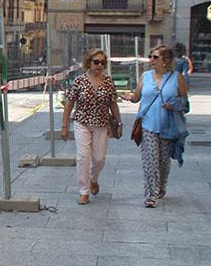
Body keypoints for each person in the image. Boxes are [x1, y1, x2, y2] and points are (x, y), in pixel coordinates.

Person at [121, 45, 190, 207]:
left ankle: (161, 185)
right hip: (148, 125)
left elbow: (185, 104)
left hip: (168, 127)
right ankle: (150, 195)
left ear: (165, 61)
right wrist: (127, 97)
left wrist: (173, 105)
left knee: (164, 163)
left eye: (155, 57)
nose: (151, 59)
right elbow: (137, 97)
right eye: (150, 56)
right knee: (150, 162)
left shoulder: (176, 77)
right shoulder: (145, 76)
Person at [60, 48, 120, 205]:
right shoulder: (80, 81)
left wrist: (119, 123)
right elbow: (69, 104)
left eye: (102, 62)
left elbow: (113, 104)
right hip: (82, 122)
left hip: (101, 124)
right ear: (89, 63)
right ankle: (84, 191)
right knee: (83, 157)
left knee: (100, 159)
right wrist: (64, 126)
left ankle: (93, 179)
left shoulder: (108, 82)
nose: (99, 65)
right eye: (96, 62)